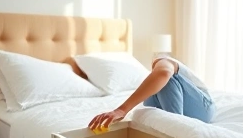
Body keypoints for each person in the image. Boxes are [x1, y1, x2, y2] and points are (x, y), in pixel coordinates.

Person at [88, 54, 216, 131]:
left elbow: (164, 73)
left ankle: (178, 128)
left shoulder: (162, 60)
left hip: (204, 107)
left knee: (167, 81)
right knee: (149, 102)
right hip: (191, 107)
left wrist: (121, 110)